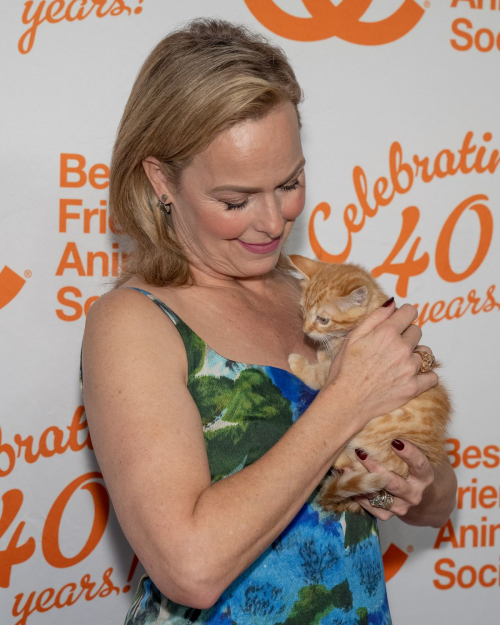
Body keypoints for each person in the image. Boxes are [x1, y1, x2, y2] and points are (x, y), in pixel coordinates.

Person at [80, 18, 456, 624]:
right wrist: (349, 397)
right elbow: (190, 568)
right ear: (160, 181)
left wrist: (416, 486)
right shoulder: (134, 322)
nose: (273, 221)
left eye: (289, 183)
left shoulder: (315, 292)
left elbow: (438, 502)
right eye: (235, 200)